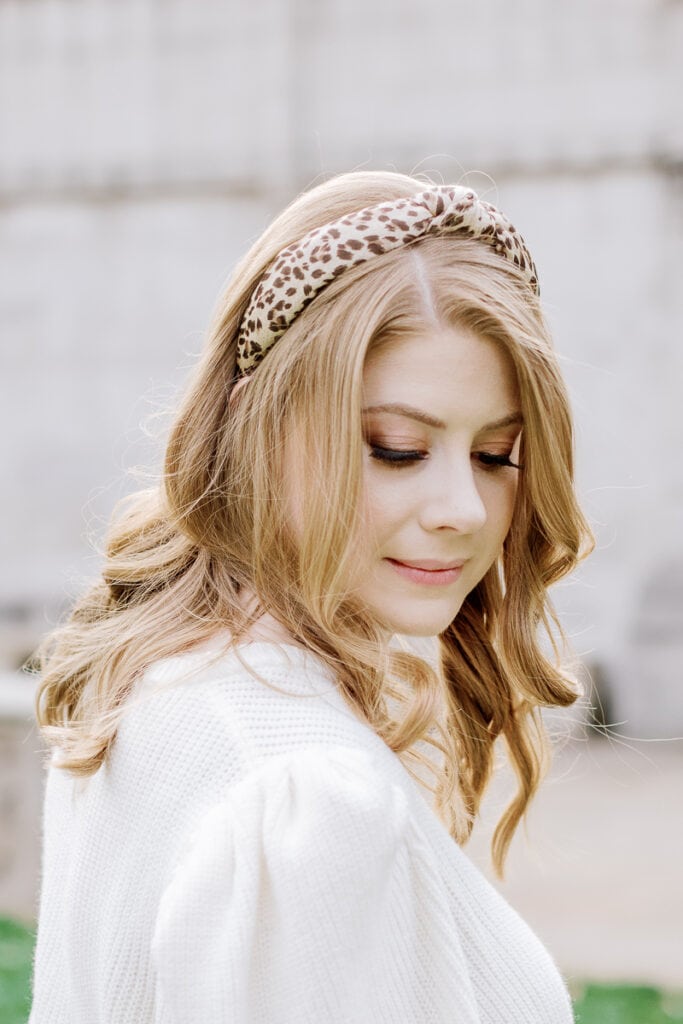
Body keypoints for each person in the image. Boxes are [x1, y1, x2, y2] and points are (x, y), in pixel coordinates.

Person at [29, 171, 593, 1023]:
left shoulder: (151, 676)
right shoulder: (306, 798)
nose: (462, 510)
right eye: (397, 449)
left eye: (494, 455)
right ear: (260, 429)